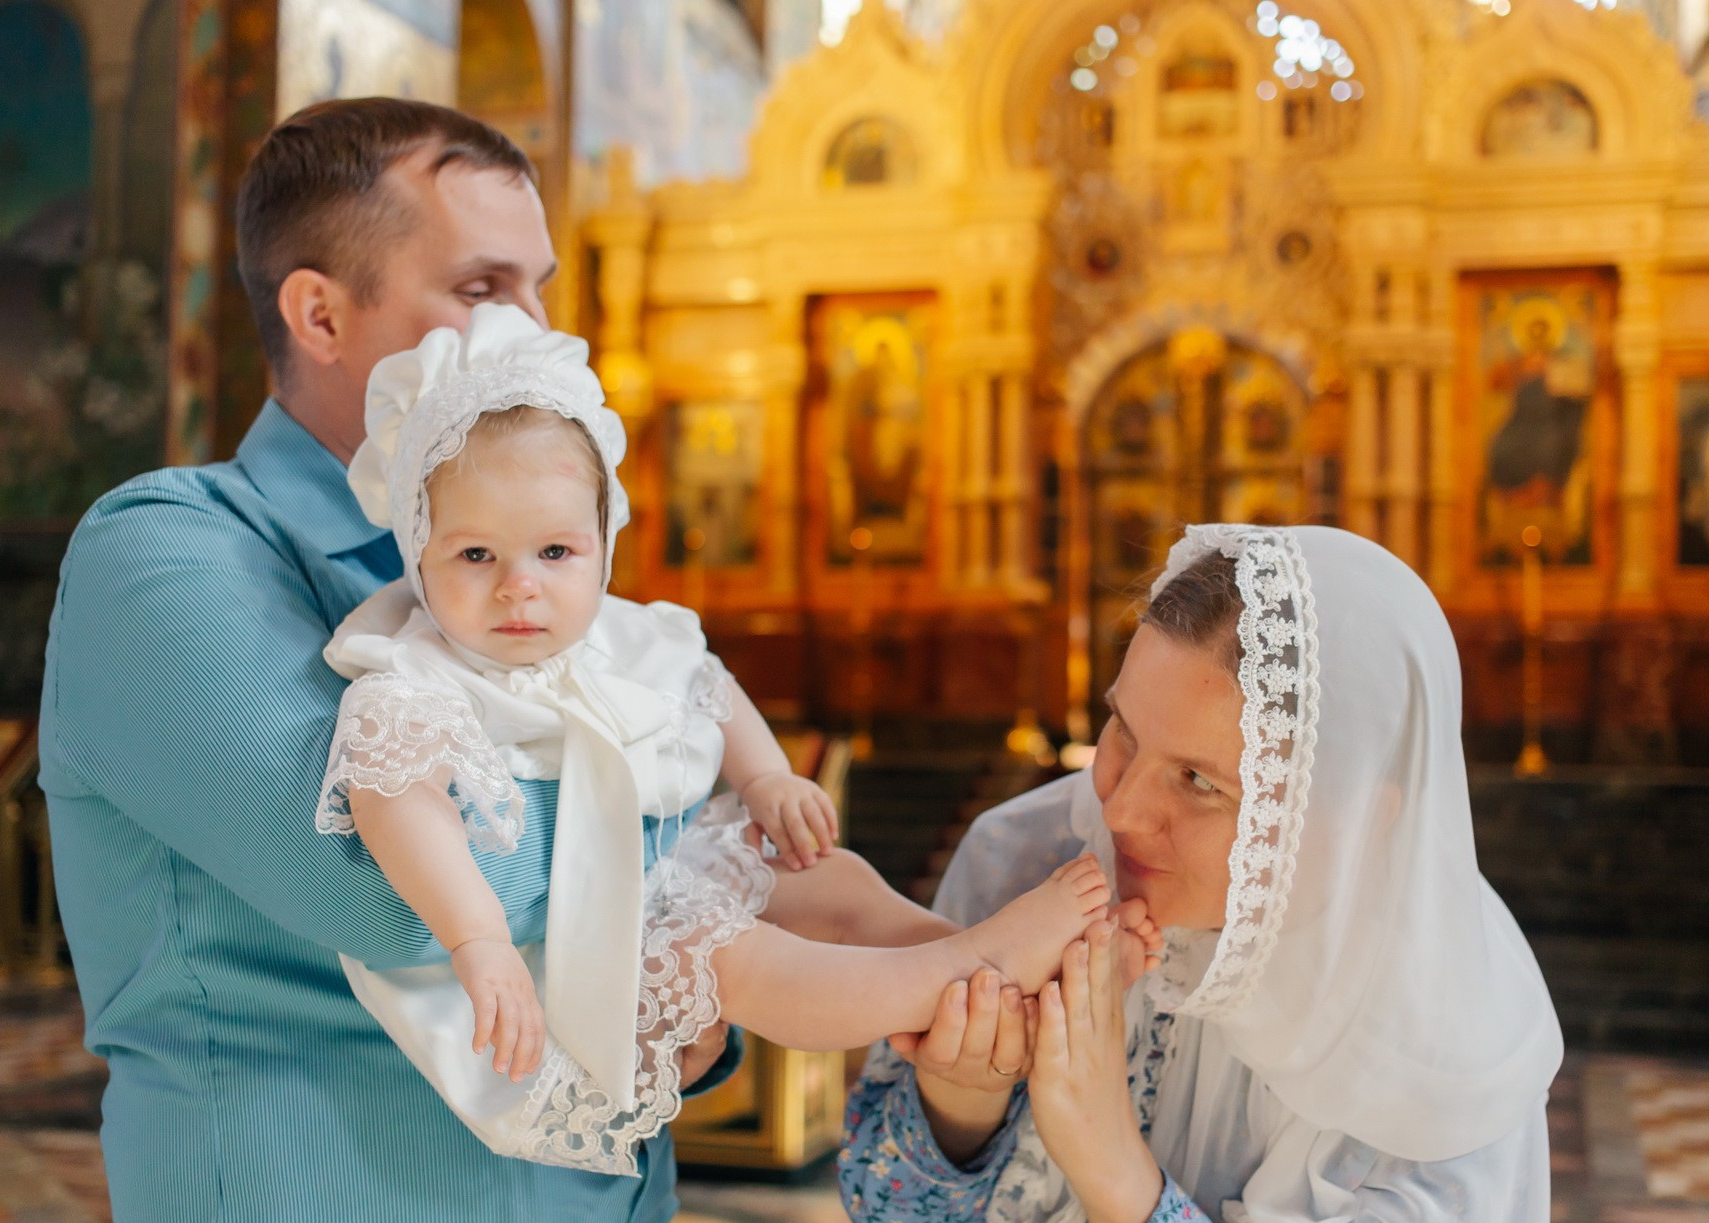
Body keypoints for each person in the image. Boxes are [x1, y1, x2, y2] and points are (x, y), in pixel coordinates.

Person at [40, 99, 724, 1223]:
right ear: (319, 314)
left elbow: (685, 846)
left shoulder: (533, 571)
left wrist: (697, 987)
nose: (538, 331)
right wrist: (684, 805)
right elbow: (386, 887)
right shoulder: (166, 553)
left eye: (542, 289)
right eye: (483, 285)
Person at [313, 303, 1152, 1174]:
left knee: (824, 877)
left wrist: (764, 781)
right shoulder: (414, 677)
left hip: (661, 867)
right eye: (476, 556)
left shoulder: (624, 635)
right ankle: (964, 972)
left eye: (554, 553)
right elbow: (395, 803)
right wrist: (477, 939)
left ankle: (984, 973)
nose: (519, 588)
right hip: (558, 950)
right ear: (418, 554)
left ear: (604, 545)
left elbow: (706, 688)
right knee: (737, 959)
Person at [837, 524, 1562, 1223]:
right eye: (1122, 734)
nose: (1119, 811)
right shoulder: (1034, 866)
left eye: (1197, 781)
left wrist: (1113, 1167)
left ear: (1360, 817)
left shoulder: (1454, 1033)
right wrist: (961, 1096)